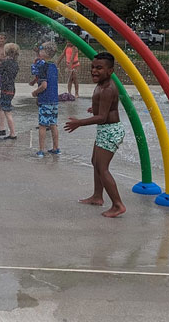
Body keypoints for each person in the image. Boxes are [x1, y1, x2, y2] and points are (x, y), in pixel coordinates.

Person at [64, 52, 126, 218]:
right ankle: (97, 196)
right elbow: (105, 109)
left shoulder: (107, 88)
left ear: (110, 70)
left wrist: (80, 123)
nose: (94, 71)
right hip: (106, 129)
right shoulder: (101, 85)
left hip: (111, 130)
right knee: (95, 162)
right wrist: (96, 108)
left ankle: (118, 204)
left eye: (99, 68)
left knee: (102, 168)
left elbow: (103, 117)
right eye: (93, 67)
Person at [31, 41, 60, 156]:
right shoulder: (54, 66)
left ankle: (41, 150)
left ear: (45, 52)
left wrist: (35, 92)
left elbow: (44, 85)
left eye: (41, 50)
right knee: (53, 124)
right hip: (54, 100)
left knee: (42, 125)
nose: (39, 52)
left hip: (46, 100)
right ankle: (56, 148)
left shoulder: (43, 66)